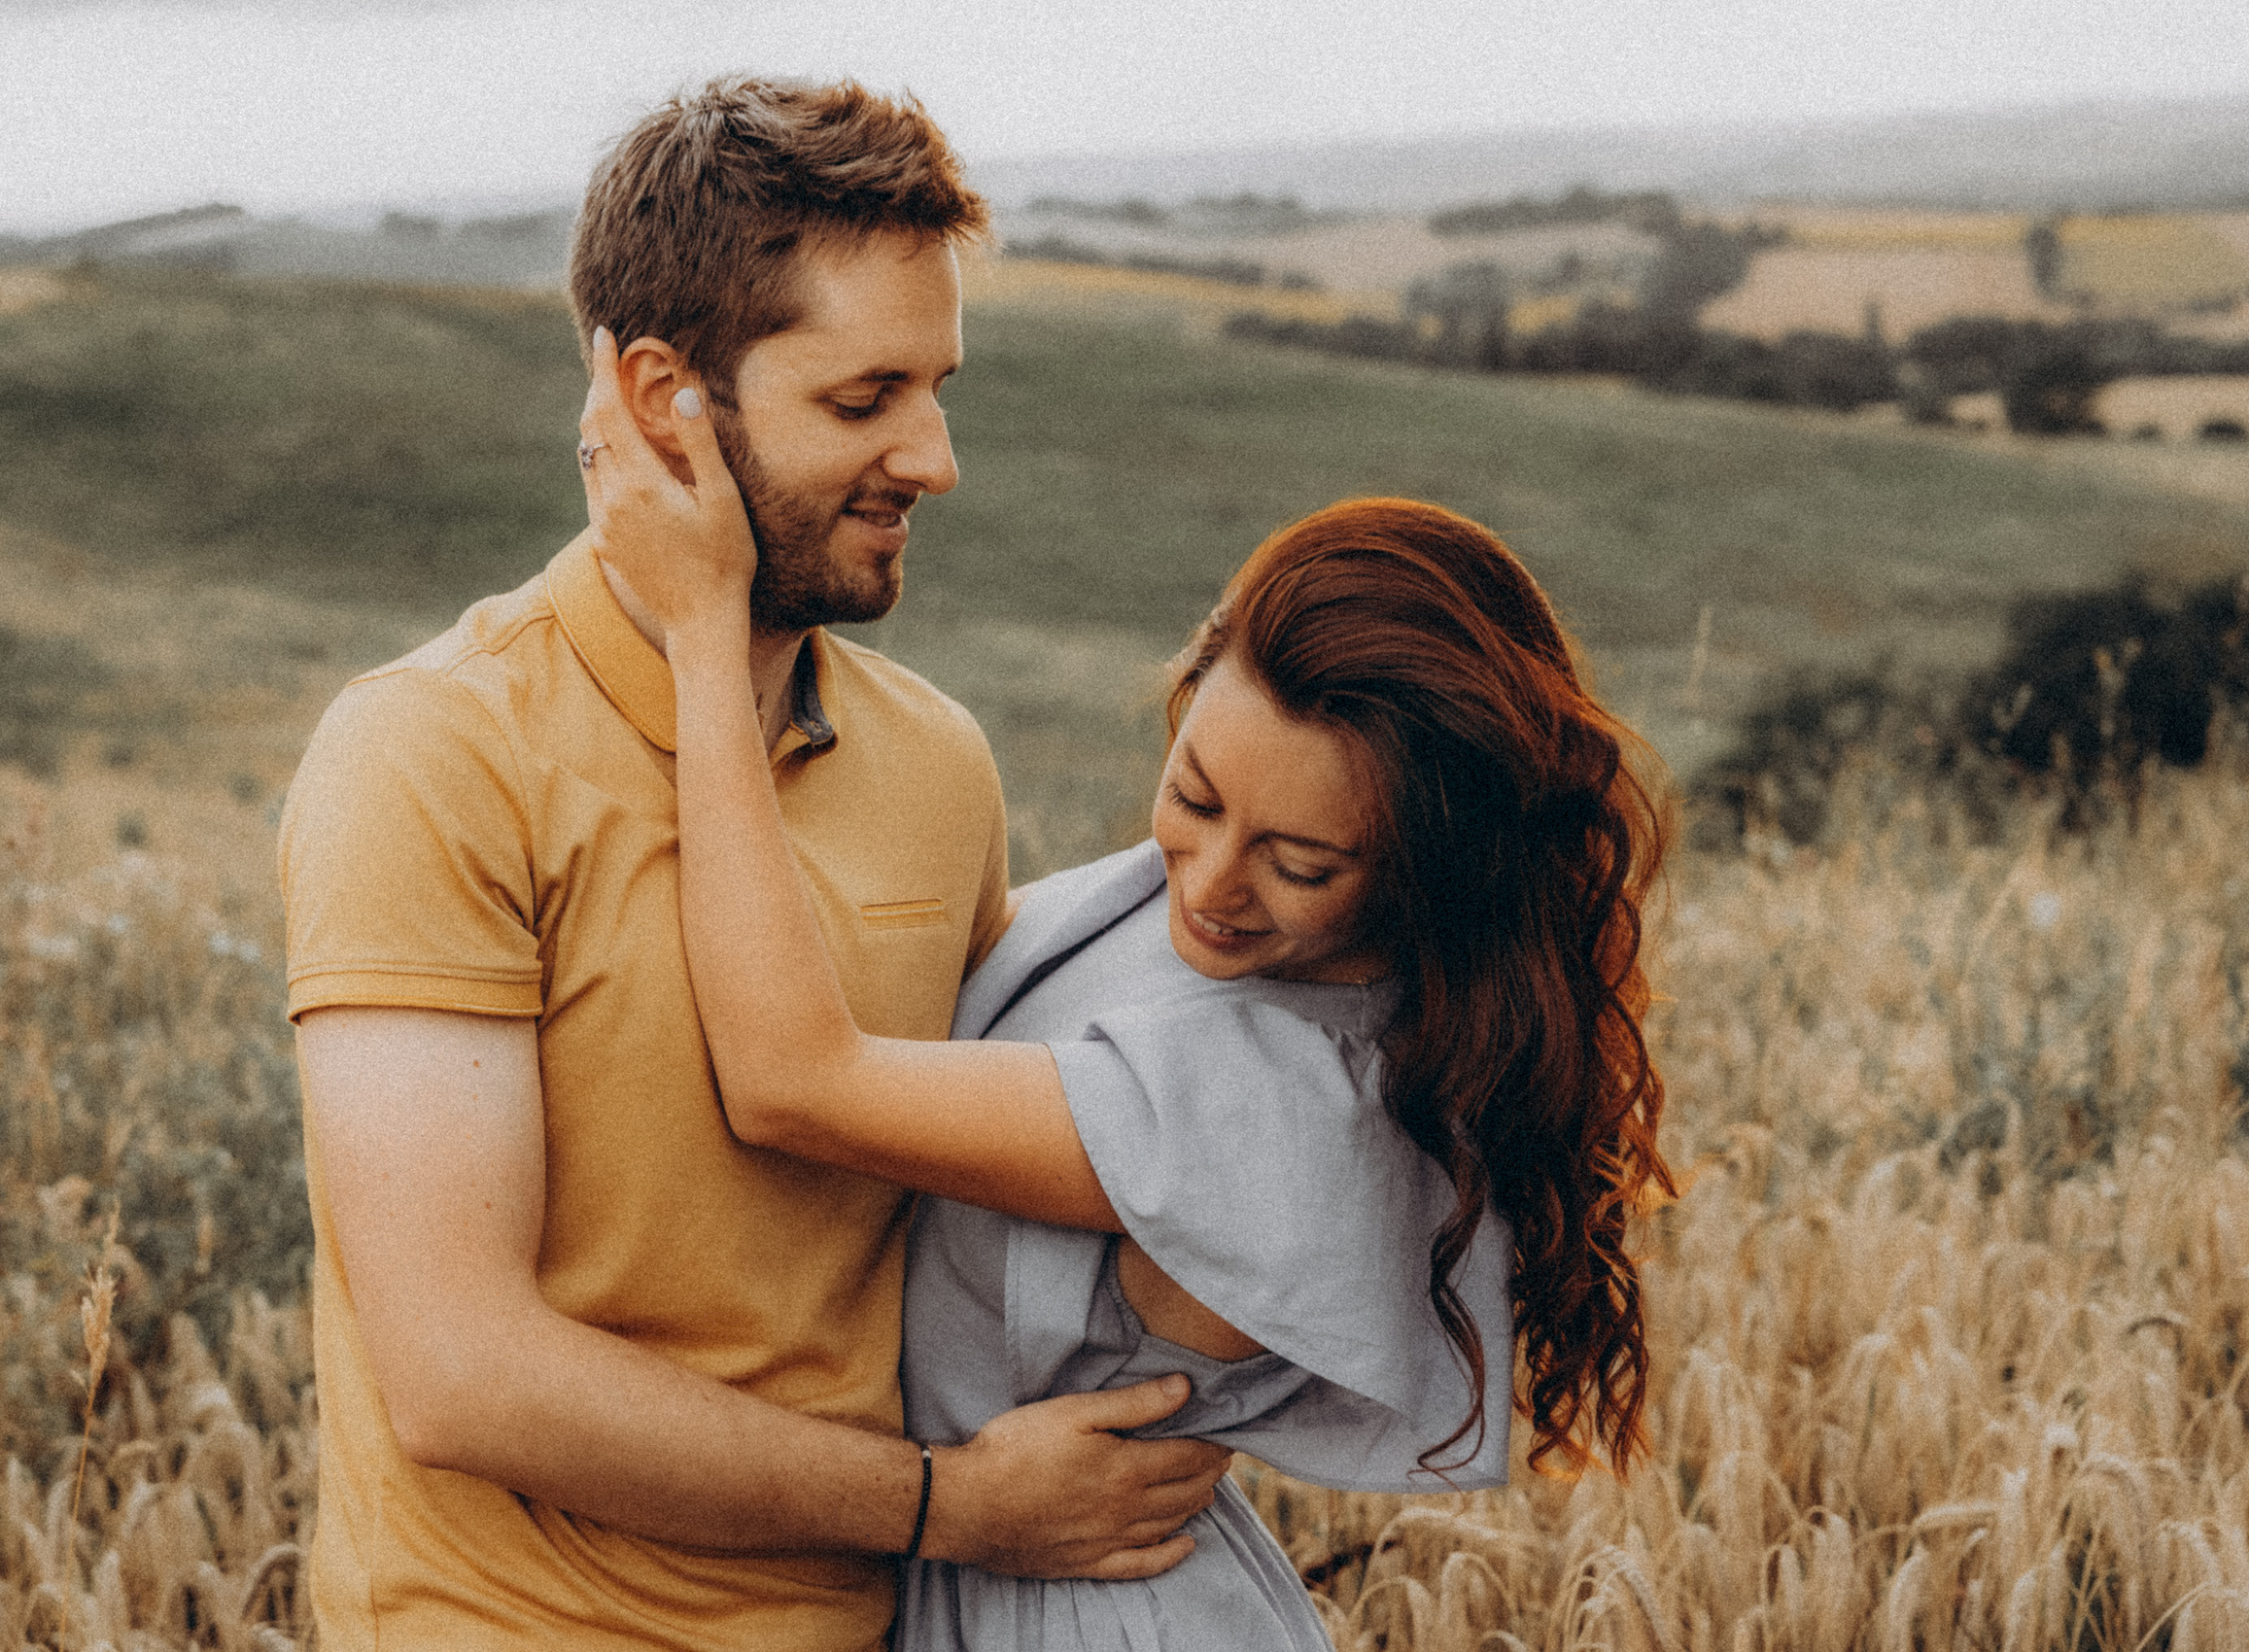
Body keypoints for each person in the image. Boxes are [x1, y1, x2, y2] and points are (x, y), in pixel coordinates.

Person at [278, 79, 1233, 1651]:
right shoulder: (430, 757)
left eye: (937, 389)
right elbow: (460, 1372)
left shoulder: (937, 760)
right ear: (666, 399)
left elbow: (988, 1225)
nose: (933, 458)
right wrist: (950, 1502)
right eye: (863, 401)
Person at [581, 344, 1678, 1646]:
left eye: (1302, 862)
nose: (1209, 882)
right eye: (1196, 794)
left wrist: (706, 630)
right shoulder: (1227, 933)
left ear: (1426, 868)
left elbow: (791, 1080)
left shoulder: (1277, 1100)